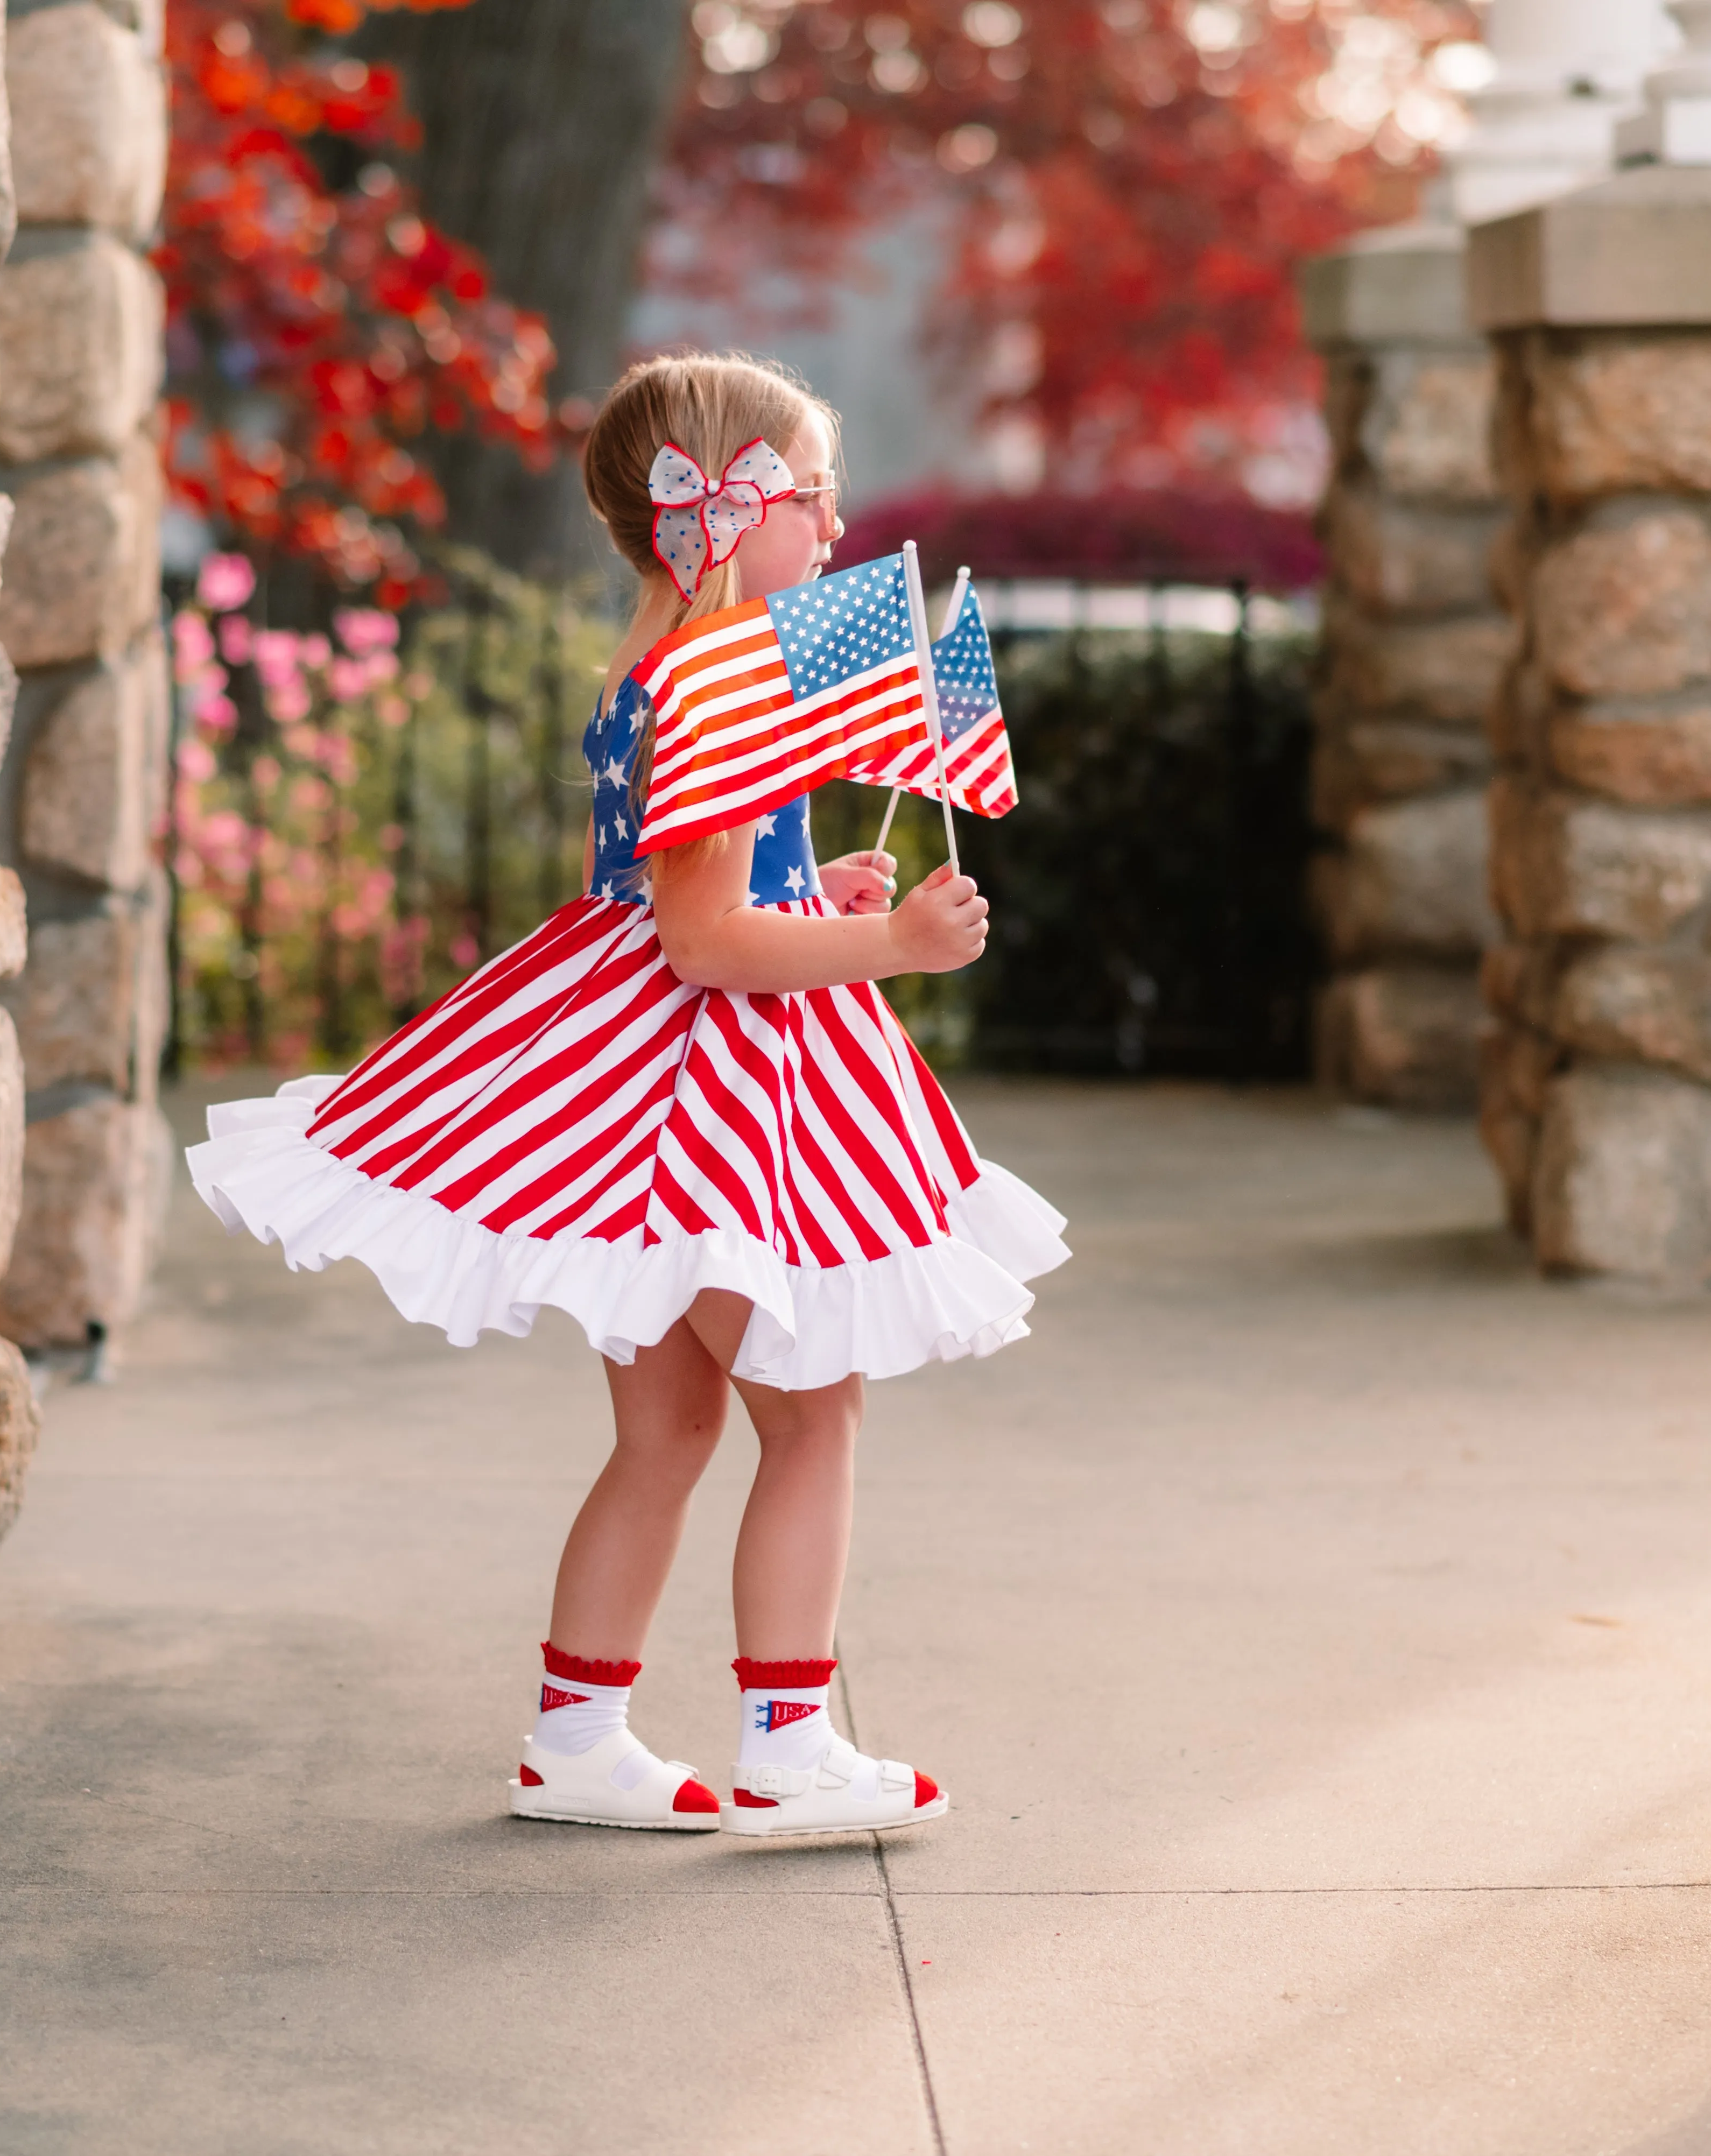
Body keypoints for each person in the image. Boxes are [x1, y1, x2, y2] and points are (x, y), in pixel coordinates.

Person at [188, 353, 1068, 1838]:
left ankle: (575, 1738)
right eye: (806, 489)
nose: (835, 515)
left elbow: (691, 885)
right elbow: (702, 937)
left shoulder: (650, 669)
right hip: (714, 1093)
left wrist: (819, 884)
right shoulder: (730, 682)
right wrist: (893, 943)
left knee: (666, 1428)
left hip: (633, 1073)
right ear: (722, 514)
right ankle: (789, 1740)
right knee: (814, 1418)